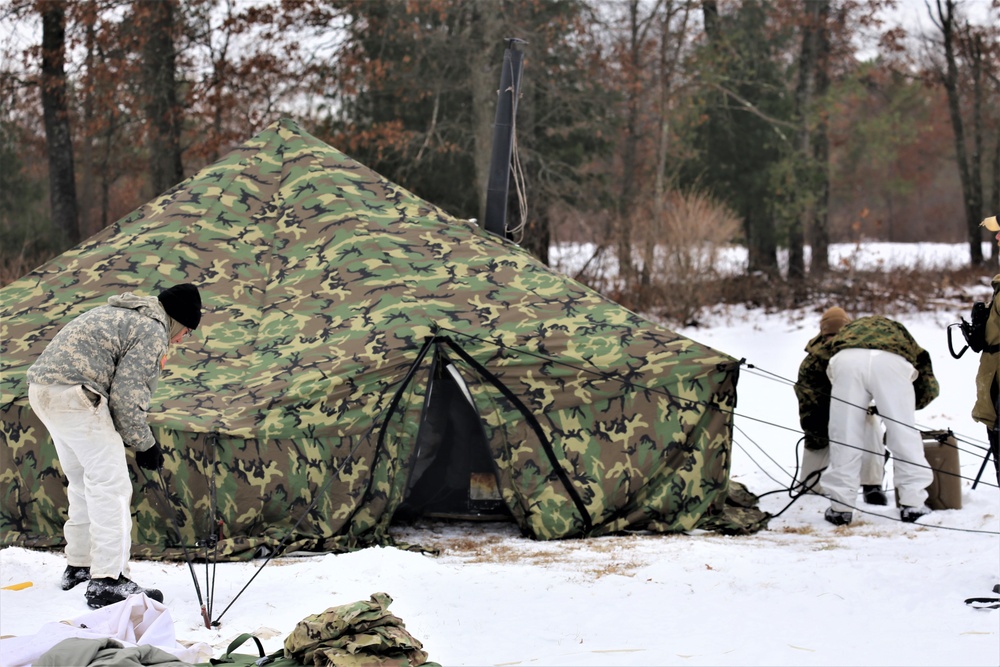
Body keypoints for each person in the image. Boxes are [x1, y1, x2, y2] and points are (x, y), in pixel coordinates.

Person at [26, 283, 202, 608]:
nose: (181, 339)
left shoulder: (121, 314)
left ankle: (79, 566)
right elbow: (126, 396)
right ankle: (109, 580)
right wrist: (145, 444)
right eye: (187, 331)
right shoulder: (152, 330)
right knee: (112, 486)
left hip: (43, 391)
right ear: (178, 321)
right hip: (76, 396)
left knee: (84, 481)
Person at [820, 314, 939, 526]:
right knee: (903, 433)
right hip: (892, 361)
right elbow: (927, 381)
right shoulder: (901, 335)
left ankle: (840, 508)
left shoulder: (849, 332)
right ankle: (913, 505)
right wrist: (907, 407)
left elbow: (828, 361)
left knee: (844, 435)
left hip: (846, 360)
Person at [794, 307, 887, 505]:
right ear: (822, 335)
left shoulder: (862, 355)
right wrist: (821, 432)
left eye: (839, 335)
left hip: (857, 414)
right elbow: (807, 403)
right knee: (810, 490)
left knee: (872, 424)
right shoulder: (811, 363)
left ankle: (872, 484)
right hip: (822, 420)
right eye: (829, 335)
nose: (834, 340)